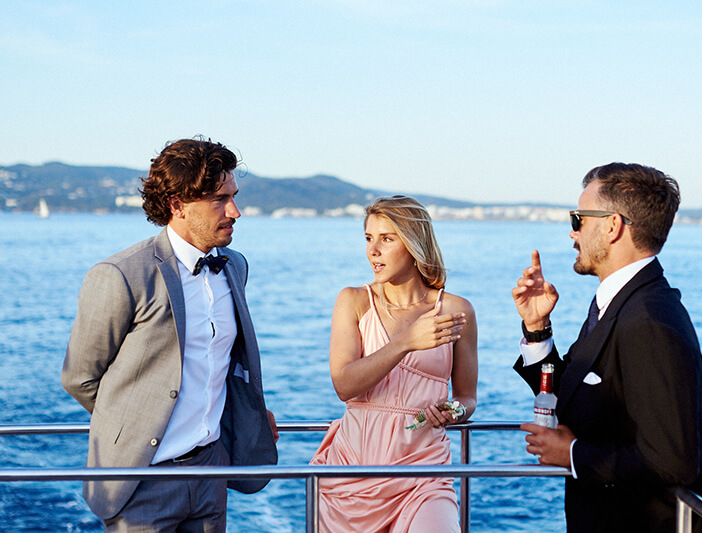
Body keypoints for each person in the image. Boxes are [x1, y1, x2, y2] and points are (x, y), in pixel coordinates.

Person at [61, 137, 279, 531]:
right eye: (219, 199)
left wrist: (245, 414)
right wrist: (144, 422)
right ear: (177, 205)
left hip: (211, 472)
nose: (236, 211)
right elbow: (80, 378)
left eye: (234, 196)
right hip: (144, 481)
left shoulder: (235, 266)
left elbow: (219, 363)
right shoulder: (121, 275)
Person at [512, 163, 702, 532]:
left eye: (578, 219)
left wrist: (571, 454)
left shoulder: (648, 320)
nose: (572, 234)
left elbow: (674, 460)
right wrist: (537, 328)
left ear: (612, 225)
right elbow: (570, 389)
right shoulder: (621, 304)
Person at [310, 195, 478, 533]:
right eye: (369, 239)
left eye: (387, 239)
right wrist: (405, 343)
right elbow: (344, 385)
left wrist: (453, 411)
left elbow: (467, 397)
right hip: (352, 474)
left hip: (424, 471)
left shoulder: (456, 311)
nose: (373, 250)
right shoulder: (353, 301)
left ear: (415, 244)